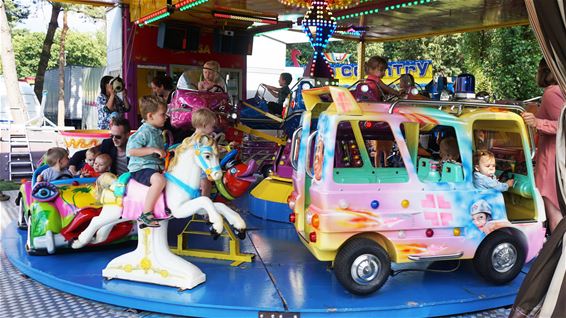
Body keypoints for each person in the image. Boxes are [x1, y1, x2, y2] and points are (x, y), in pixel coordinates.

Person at [521, 58, 565, 233]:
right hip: (556, 157)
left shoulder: (552, 92)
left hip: (551, 159)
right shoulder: (559, 90)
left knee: (554, 212)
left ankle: (559, 255)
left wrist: (537, 122)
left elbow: (562, 124)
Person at [126, 96, 168, 228]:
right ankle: (146, 213)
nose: (166, 117)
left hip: (154, 167)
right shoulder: (144, 132)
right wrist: (152, 149)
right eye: (162, 114)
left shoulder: (156, 131)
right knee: (159, 181)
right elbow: (131, 151)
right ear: (150, 116)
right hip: (141, 168)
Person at [190, 108, 218, 197]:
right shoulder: (201, 138)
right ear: (204, 125)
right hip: (202, 168)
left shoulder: (195, 137)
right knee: (206, 184)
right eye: (212, 126)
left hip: (198, 166)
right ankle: (205, 200)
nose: (213, 129)